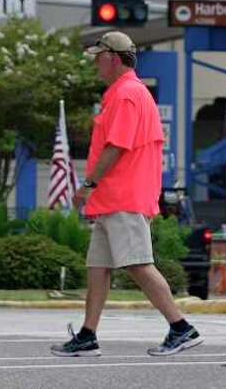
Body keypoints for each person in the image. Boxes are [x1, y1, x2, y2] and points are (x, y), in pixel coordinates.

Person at [53, 32, 201, 359]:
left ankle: (181, 327)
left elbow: (117, 146)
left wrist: (87, 185)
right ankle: (87, 335)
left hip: (124, 196)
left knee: (137, 264)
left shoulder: (127, 94)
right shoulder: (122, 93)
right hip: (112, 198)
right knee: (98, 267)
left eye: (98, 56)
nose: (95, 62)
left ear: (114, 58)